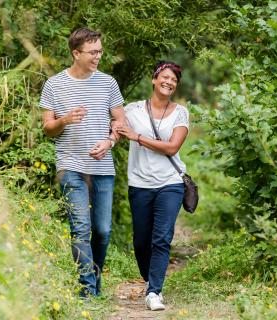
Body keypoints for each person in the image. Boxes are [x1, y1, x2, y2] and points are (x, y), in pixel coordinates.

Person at [40, 27, 125, 298]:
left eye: (100, 51)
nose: (98, 56)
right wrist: (64, 120)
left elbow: (121, 123)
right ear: (76, 53)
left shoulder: (108, 83)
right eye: (92, 52)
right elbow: (47, 128)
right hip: (70, 166)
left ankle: (95, 279)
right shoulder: (54, 84)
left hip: (102, 167)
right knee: (80, 227)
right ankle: (87, 291)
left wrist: (110, 142)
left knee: (102, 230)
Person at [115, 61, 189, 311]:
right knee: (141, 241)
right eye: (165, 77)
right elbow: (115, 129)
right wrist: (108, 141)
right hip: (140, 183)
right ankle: (151, 279)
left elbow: (172, 147)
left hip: (170, 183)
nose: (169, 82)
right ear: (154, 79)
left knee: (162, 238)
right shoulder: (133, 109)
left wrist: (137, 137)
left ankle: (154, 291)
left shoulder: (181, 113)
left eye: (174, 80)